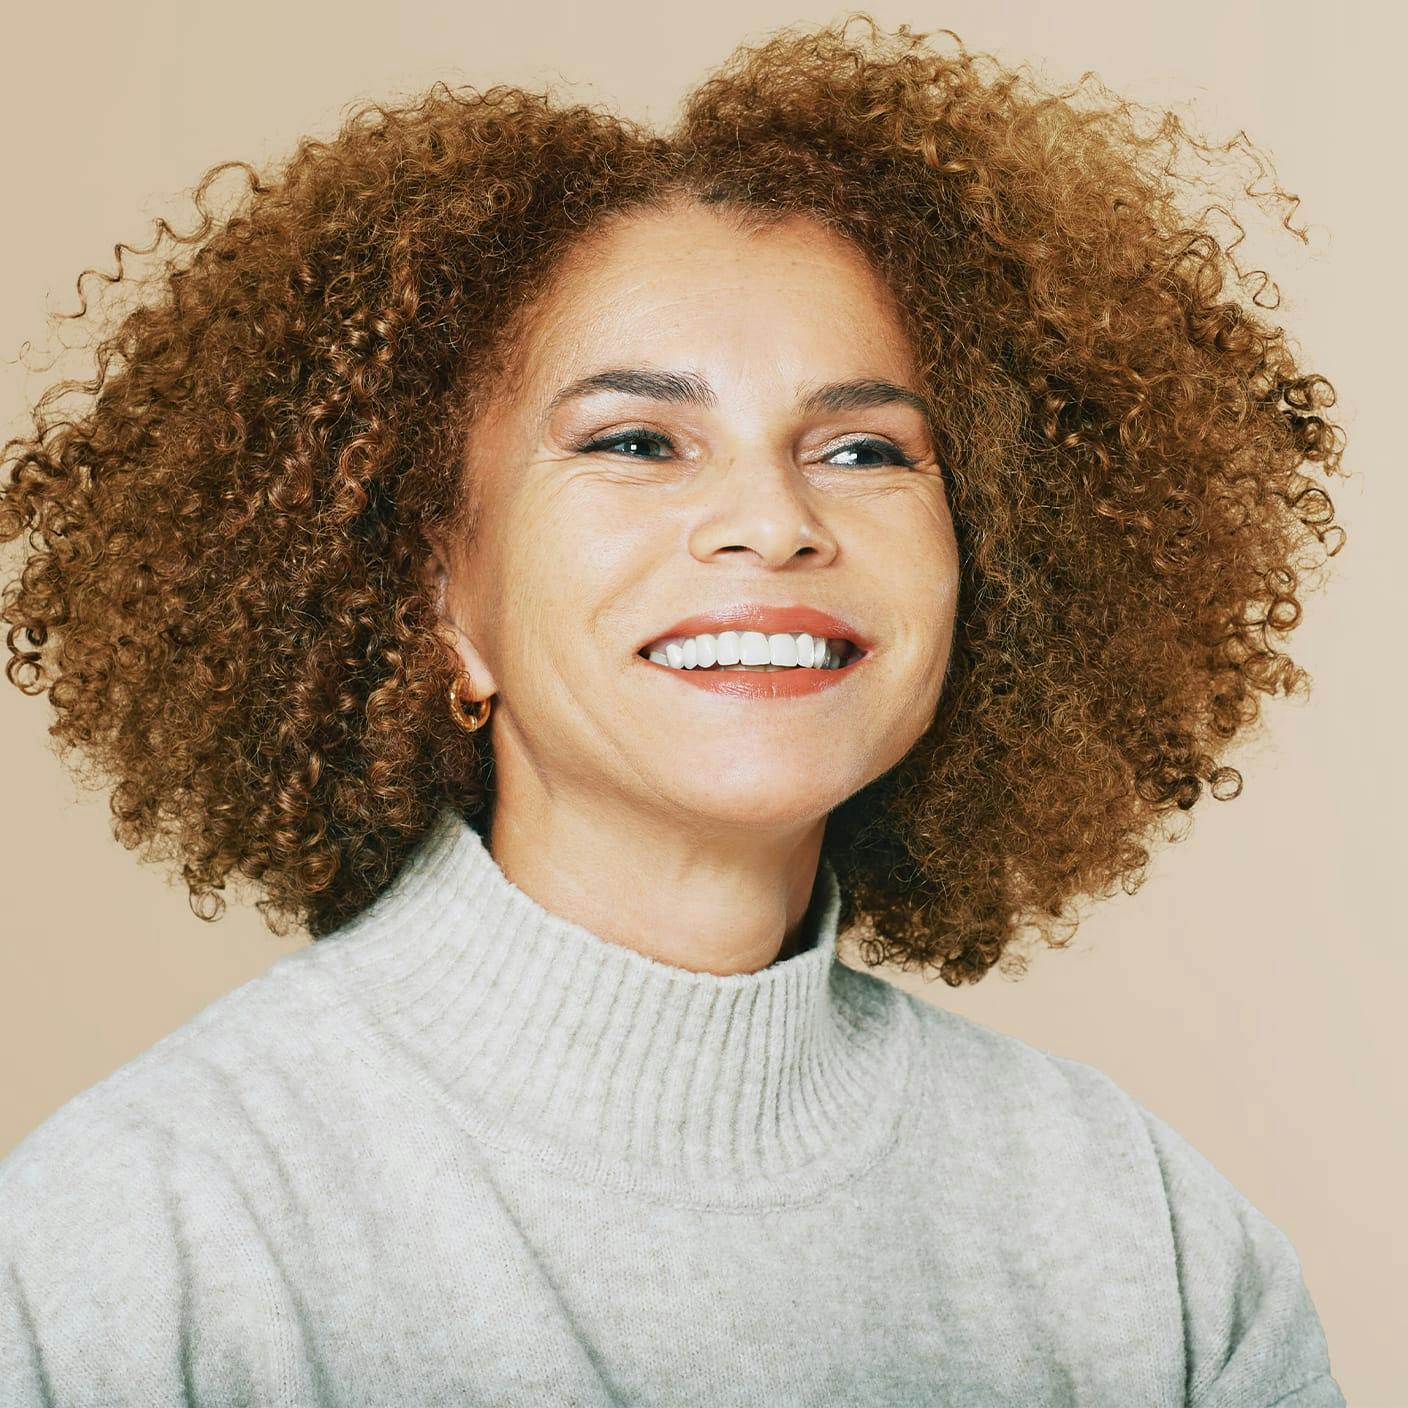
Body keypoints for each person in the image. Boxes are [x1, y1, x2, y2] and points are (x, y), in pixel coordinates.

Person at [0, 16, 1347, 1405]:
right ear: (433, 586)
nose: (773, 522)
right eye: (637, 442)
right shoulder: (145, 1239)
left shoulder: (1147, 1246)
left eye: (863, 449)